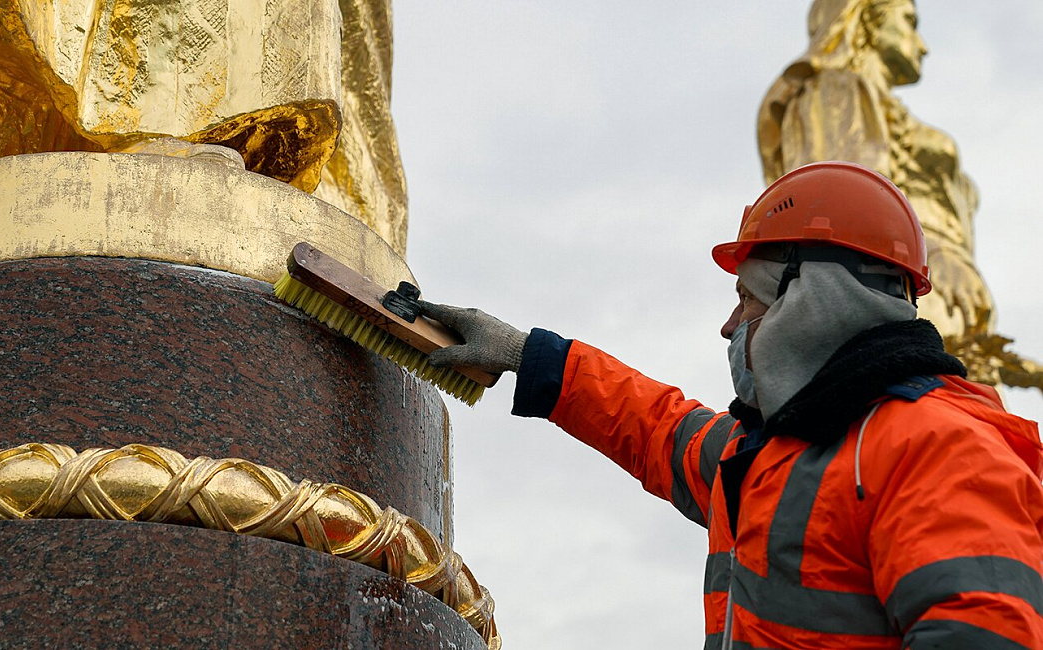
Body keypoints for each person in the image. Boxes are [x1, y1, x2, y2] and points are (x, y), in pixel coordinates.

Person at [422, 161, 1043, 649]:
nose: (728, 326)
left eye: (747, 299)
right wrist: (525, 353)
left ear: (813, 303)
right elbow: (656, 425)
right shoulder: (765, 457)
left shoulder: (938, 448)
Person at [757, 0, 1041, 389]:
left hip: (929, 283)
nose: (921, 44)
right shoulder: (837, 90)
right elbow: (849, 211)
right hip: (900, 281)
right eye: (909, 23)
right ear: (868, 25)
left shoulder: (874, 104)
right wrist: (936, 252)